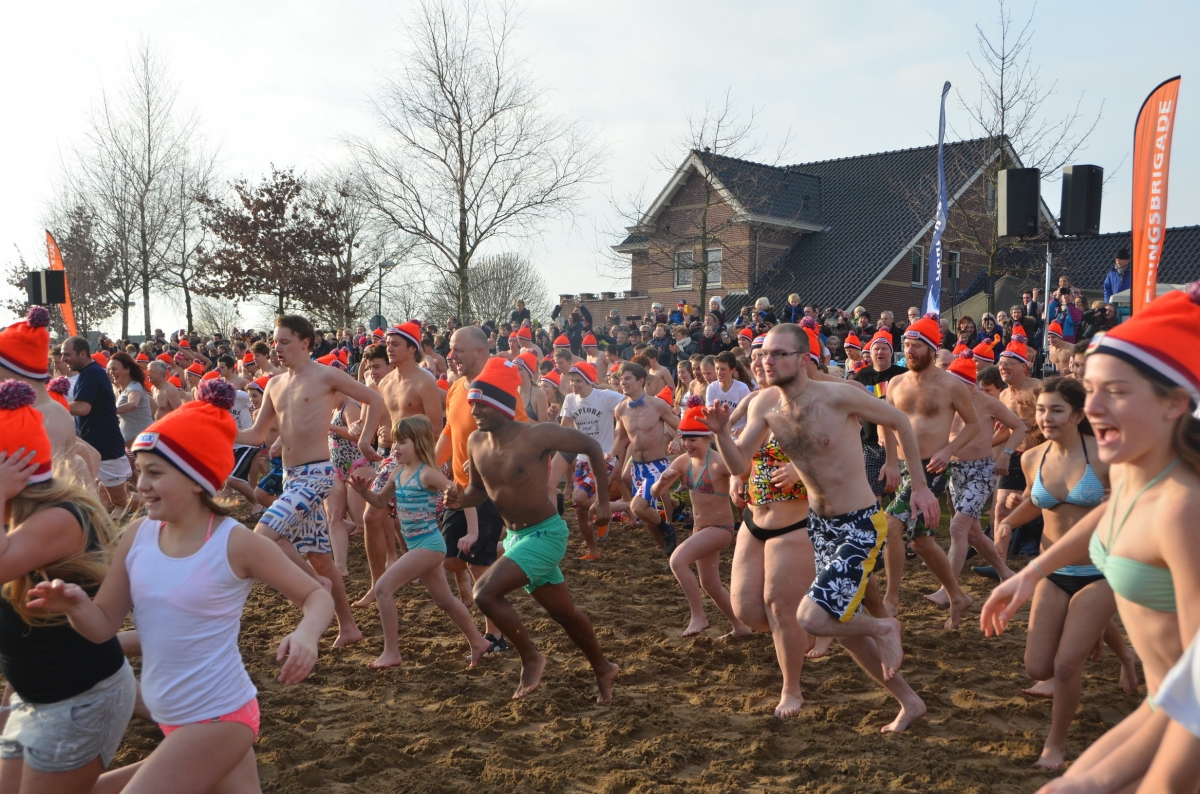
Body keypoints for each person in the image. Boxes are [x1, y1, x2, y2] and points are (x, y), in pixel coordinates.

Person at [28, 378, 335, 793]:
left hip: (219, 718)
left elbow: (316, 594)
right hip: (174, 720)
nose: (140, 485)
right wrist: (75, 605)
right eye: (139, 472)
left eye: (154, 473)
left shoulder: (234, 542)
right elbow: (101, 627)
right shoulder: (137, 535)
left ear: (196, 478)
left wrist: (306, 635)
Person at [981, 283, 1200, 793]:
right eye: (1091, 387)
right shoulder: (1135, 471)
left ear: (1174, 404)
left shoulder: (1184, 511)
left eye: (1116, 392)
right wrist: (1032, 572)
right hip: (1164, 712)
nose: (1093, 407)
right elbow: (1107, 519)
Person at [706, 324, 933, 732]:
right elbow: (739, 463)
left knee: (812, 618)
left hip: (859, 524)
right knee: (841, 628)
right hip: (819, 526)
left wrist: (918, 485)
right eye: (764, 354)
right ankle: (909, 700)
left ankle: (884, 625)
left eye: (778, 354)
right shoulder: (765, 404)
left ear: (802, 359)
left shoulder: (837, 395)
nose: (767, 361)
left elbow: (898, 419)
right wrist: (722, 433)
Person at [445, 357, 620, 703]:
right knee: (564, 614)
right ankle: (603, 667)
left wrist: (602, 500)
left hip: (547, 534)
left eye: (481, 404)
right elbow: (478, 491)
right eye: (472, 404)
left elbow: (590, 446)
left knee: (484, 593)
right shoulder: (476, 442)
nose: (474, 411)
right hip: (515, 539)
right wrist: (459, 499)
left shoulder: (537, 434)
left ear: (501, 405)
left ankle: (531, 657)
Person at [987, 377, 1131, 768]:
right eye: (1040, 410)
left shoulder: (1107, 456)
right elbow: (1036, 502)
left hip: (1100, 571)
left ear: (1078, 415)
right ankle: (1115, 649)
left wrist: (1120, 500)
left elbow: (1139, 503)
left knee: (1066, 667)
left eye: (1056, 410)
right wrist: (1009, 522)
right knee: (1038, 667)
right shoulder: (1032, 457)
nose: (1046, 418)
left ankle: (1056, 743)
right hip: (1051, 570)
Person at [0, 381, 135, 794]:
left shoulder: (60, 517)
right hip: (37, 696)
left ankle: (199, 767)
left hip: (79, 699)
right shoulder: (17, 515)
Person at [235, 314, 383, 648]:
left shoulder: (325, 375)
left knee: (263, 536)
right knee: (320, 558)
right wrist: (218, 427)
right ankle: (348, 627)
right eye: (275, 342)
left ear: (305, 343)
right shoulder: (274, 384)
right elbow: (255, 434)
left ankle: (314, 585)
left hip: (317, 474)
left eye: (284, 341)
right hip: (291, 478)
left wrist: (364, 441)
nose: (277, 348)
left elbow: (374, 399)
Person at [350, 416, 492, 669]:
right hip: (418, 545)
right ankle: (479, 642)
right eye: (395, 442)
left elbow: (462, 497)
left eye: (402, 442)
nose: (395, 447)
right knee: (445, 600)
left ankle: (391, 652)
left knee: (383, 589)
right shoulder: (397, 473)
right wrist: (364, 493)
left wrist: (472, 532)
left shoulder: (427, 474)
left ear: (419, 444)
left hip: (430, 545)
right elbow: (381, 502)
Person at [879, 316, 980, 629]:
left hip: (933, 467)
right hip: (904, 466)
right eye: (907, 345)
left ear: (932, 349)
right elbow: (886, 422)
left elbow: (973, 424)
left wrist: (949, 450)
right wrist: (890, 461)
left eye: (917, 346)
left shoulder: (951, 384)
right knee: (920, 541)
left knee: (891, 525)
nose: (910, 351)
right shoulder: (896, 383)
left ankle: (890, 599)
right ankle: (957, 596)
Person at [437, 327, 530, 655]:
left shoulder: (497, 388)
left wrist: (496, 460)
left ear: (480, 352)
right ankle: (506, 551)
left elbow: (522, 430)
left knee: (477, 561)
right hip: (459, 487)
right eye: (450, 349)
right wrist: (429, 465)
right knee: (450, 559)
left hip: (490, 486)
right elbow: (450, 430)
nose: (451, 356)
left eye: (458, 350)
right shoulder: (455, 387)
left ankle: (495, 636)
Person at [924, 352, 1025, 606]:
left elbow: (1019, 427)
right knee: (974, 534)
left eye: (955, 382)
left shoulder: (987, 402)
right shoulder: (946, 401)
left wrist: (1005, 455)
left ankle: (947, 590)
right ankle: (1006, 573)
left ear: (968, 384)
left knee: (958, 528)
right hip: (955, 470)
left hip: (981, 471)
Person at [651, 396, 751, 640]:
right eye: (684, 438)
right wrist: (661, 482)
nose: (687, 444)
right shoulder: (683, 461)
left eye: (693, 439)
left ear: (708, 438)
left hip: (720, 529)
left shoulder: (718, 462)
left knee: (677, 561)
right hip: (700, 528)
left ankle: (698, 615)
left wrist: (737, 484)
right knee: (710, 584)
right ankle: (740, 627)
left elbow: (740, 472)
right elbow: (655, 493)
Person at [360, 322, 444, 603]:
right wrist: (369, 438)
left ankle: (452, 579)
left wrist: (415, 454)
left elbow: (435, 429)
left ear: (411, 348)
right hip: (395, 458)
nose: (390, 349)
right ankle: (376, 584)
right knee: (371, 516)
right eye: (388, 344)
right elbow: (381, 419)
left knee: (424, 526)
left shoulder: (424, 381)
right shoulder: (384, 383)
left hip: (423, 458)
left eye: (395, 344)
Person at [613, 361, 681, 557]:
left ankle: (667, 526)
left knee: (637, 507)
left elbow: (680, 426)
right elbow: (622, 438)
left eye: (627, 378)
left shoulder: (657, 404)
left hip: (657, 466)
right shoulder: (621, 409)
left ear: (640, 380)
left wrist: (677, 440)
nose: (623, 383)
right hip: (637, 468)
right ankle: (672, 556)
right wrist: (610, 454)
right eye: (621, 379)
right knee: (648, 521)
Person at [559, 362, 625, 561]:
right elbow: (565, 428)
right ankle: (593, 551)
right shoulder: (570, 399)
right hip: (582, 460)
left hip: (604, 458)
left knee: (579, 497)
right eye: (572, 381)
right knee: (579, 508)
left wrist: (621, 427)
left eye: (578, 381)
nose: (574, 384)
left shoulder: (605, 397)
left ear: (589, 380)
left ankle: (623, 508)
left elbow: (629, 405)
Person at [61, 337, 130, 513]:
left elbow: (82, 408)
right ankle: (101, 528)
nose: (63, 359)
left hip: (105, 446)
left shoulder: (91, 373)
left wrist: (52, 406)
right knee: (99, 498)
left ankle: (168, 509)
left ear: (83, 354)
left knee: (122, 500)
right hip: (95, 445)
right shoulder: (88, 373)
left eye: (67, 354)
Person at [993, 338, 1043, 560]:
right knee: (1001, 508)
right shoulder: (1004, 395)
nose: (1002, 367)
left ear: (1023, 366)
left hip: (1040, 456)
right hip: (1015, 456)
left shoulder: (1037, 388)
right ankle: (999, 562)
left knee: (1042, 507)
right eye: (1000, 363)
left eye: (1008, 363)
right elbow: (1007, 431)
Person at [851, 331, 907, 503]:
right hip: (870, 443)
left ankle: (899, 519)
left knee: (900, 493)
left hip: (899, 443)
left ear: (891, 352)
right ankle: (877, 520)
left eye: (884, 349)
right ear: (870, 352)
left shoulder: (903, 375)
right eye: (876, 349)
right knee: (871, 493)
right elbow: (853, 408)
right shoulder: (861, 376)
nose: (880, 352)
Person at [107, 352, 155, 450]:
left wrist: (108, 411)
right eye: (109, 370)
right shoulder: (119, 390)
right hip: (128, 442)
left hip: (141, 441)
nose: (111, 372)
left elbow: (133, 404)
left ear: (127, 369)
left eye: (114, 369)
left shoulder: (134, 386)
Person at [705, 350, 752, 433]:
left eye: (723, 369)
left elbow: (751, 413)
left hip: (738, 431)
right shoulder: (711, 388)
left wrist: (744, 427)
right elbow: (710, 411)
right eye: (717, 368)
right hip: (720, 430)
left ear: (733, 370)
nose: (719, 372)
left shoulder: (742, 388)